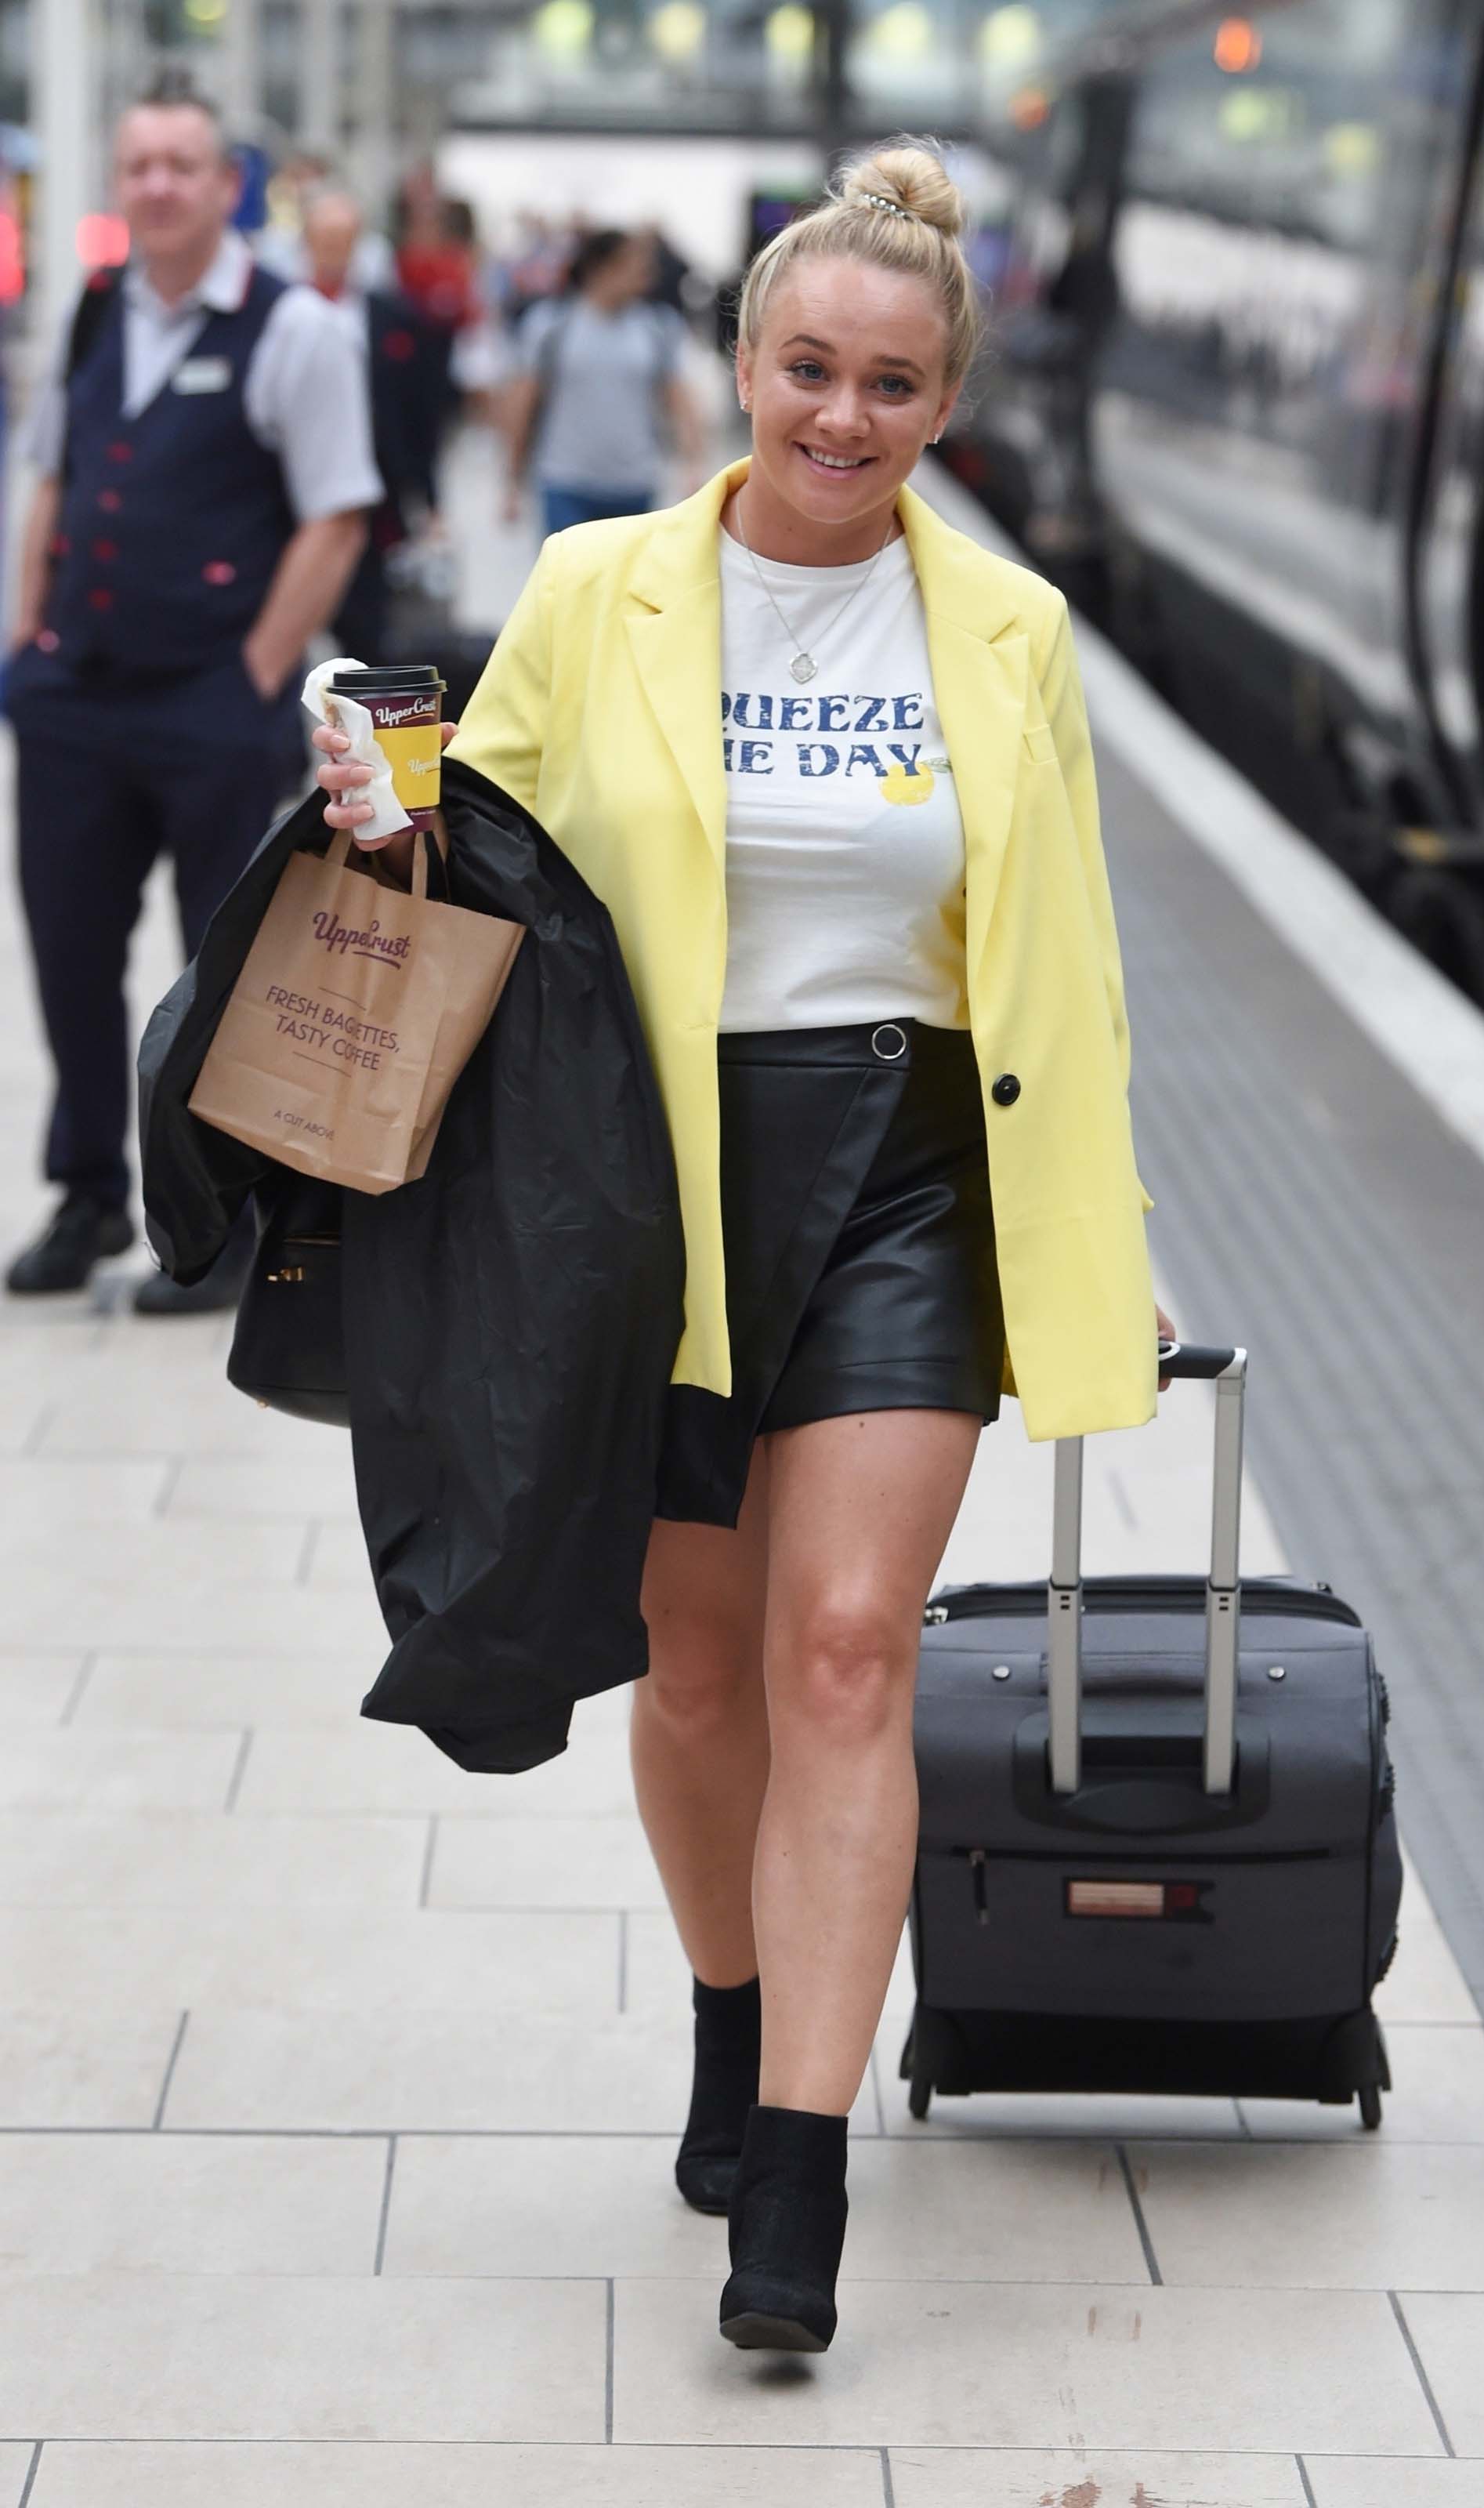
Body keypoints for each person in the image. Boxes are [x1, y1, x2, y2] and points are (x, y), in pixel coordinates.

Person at [313, 136, 1173, 2356]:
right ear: (743, 362)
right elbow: (469, 852)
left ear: (944, 404)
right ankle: (729, 2014)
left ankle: (798, 2180)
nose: (842, 418)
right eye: (808, 367)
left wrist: (1097, 1232)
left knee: (843, 1656)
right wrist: (372, 816)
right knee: (695, 1667)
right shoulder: (598, 589)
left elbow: (1060, 962)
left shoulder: (1012, 630)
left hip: (901, 1167)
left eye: (893, 386)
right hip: (652, 1180)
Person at [5, 74, 382, 1310]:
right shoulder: (94, 310)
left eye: (183, 165)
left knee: (219, 970)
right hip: (78, 699)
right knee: (67, 954)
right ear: (121, 188)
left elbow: (336, 514)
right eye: (140, 167)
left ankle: (215, 1224)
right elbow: (54, 483)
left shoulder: (293, 329)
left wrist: (257, 673)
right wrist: (30, 638)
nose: (158, 185)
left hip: (212, 704)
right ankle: (88, 1197)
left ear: (229, 187)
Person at [301, 187, 447, 660]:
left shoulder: (391, 317)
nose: (334, 250)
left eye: (344, 238)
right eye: (325, 238)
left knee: (368, 633)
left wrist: (429, 497)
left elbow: (419, 411)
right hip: (293, 498)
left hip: (371, 497)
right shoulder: (282, 316)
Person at [499, 225, 706, 535]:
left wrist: (692, 464)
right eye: (632, 263)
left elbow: (679, 399)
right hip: (566, 482)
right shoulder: (551, 326)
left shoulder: (657, 328)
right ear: (600, 268)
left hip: (635, 484)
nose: (644, 273)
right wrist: (511, 480)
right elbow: (523, 403)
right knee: (569, 582)